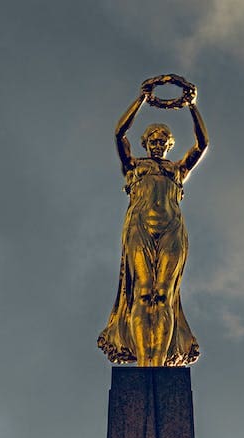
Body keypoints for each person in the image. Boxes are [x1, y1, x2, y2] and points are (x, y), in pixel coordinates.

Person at [98, 76, 208, 367]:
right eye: (153, 140)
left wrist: (192, 107)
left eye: (163, 141)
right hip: (140, 228)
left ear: (169, 145)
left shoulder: (177, 170)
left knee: (164, 295)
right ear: (145, 143)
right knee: (143, 293)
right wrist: (142, 100)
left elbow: (202, 144)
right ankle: (145, 365)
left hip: (172, 229)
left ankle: (156, 364)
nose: (158, 144)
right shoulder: (135, 167)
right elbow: (119, 134)